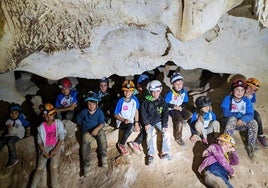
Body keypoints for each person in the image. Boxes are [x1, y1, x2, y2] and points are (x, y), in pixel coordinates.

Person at [221, 78, 258, 160]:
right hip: (227, 122)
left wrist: (243, 119)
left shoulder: (246, 101)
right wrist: (238, 115)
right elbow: (225, 113)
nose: (239, 92)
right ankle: (225, 144)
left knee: (254, 122)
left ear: (244, 92)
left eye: (242, 90)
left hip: (240, 124)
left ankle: (251, 145)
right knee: (232, 118)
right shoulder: (228, 99)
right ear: (233, 90)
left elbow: (251, 114)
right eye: (237, 89)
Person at [31, 103, 65, 188]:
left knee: (53, 167)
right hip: (45, 147)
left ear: (54, 114)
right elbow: (39, 141)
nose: (47, 118)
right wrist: (43, 151)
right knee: (39, 168)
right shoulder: (41, 127)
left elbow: (61, 137)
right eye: (45, 116)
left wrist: (55, 150)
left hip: (56, 146)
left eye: (49, 115)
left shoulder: (58, 123)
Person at [75, 91, 108, 177]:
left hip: (96, 129)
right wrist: (82, 128)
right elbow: (78, 120)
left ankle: (103, 157)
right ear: (87, 104)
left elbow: (102, 123)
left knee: (102, 136)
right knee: (85, 143)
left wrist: (96, 129)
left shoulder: (99, 112)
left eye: (93, 104)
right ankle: (86, 166)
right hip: (86, 131)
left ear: (97, 104)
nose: (91, 106)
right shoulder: (84, 112)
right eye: (89, 104)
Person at [141, 80, 171, 165]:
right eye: (153, 92)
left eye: (157, 91)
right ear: (150, 92)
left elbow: (165, 113)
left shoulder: (162, 101)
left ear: (160, 90)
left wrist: (164, 124)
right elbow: (143, 112)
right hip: (150, 121)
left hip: (158, 120)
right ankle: (151, 155)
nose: (155, 94)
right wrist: (146, 123)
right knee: (149, 134)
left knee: (166, 132)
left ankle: (165, 152)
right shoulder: (146, 100)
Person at [165, 72, 192, 145]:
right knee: (179, 120)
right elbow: (165, 103)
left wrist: (181, 107)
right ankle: (178, 137)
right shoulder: (170, 93)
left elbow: (185, 101)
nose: (179, 85)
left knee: (189, 115)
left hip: (180, 107)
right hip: (172, 109)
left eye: (180, 83)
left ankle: (182, 120)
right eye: (177, 84)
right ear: (173, 84)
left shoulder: (184, 92)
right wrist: (173, 106)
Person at [114, 80, 140, 156]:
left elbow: (136, 111)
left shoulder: (135, 99)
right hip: (122, 122)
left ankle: (135, 143)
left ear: (132, 91)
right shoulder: (121, 101)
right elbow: (115, 115)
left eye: (129, 91)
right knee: (130, 126)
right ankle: (121, 143)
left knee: (142, 127)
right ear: (123, 91)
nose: (127, 93)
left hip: (131, 121)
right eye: (125, 91)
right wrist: (123, 120)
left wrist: (137, 123)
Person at [0, 103, 29, 168]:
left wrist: (28, 133)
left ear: (19, 114)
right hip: (9, 135)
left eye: (16, 113)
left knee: (10, 142)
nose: (13, 115)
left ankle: (14, 158)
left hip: (18, 135)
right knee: (1, 142)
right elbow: (5, 127)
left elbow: (27, 125)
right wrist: (2, 131)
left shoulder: (21, 120)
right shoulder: (8, 120)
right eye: (12, 113)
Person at [129, 74, 150, 153]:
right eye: (141, 84)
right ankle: (136, 143)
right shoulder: (133, 92)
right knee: (146, 127)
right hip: (134, 113)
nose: (142, 86)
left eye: (144, 84)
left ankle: (138, 142)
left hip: (142, 113)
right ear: (137, 84)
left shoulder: (147, 92)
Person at [245, 78, 267, 147]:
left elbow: (251, 105)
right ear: (246, 86)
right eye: (250, 87)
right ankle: (250, 137)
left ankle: (260, 135)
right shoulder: (240, 91)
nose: (252, 90)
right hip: (238, 110)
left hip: (248, 110)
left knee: (257, 116)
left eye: (254, 90)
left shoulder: (252, 94)